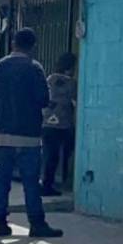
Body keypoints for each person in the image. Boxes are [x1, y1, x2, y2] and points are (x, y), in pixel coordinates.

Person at [0, 28, 63, 238]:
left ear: (13, 43)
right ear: (33, 46)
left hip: (2, 132)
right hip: (28, 134)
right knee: (30, 181)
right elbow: (43, 99)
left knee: (2, 177)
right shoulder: (34, 68)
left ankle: (0, 222)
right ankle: (36, 223)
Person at [40, 52, 77, 197]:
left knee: (49, 155)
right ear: (70, 67)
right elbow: (75, 101)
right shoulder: (71, 84)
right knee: (65, 154)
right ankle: (61, 182)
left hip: (47, 123)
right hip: (64, 124)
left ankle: (46, 182)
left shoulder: (50, 79)